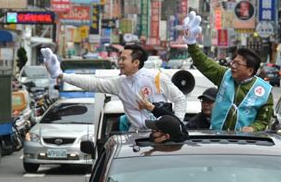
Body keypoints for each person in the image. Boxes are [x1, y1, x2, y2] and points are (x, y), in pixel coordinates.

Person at [41, 44, 187, 130]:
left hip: (163, 136)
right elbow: (93, 83)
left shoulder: (157, 78)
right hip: (135, 138)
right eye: (119, 59)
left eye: (123, 59)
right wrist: (61, 75)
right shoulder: (119, 83)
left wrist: (176, 125)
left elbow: (180, 100)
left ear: (136, 62)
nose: (119, 62)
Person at [182, 11, 274, 132]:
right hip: (217, 137)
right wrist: (192, 43)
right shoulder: (224, 75)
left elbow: (263, 121)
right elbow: (203, 63)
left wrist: (252, 128)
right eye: (233, 62)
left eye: (238, 64)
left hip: (246, 143)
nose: (232, 66)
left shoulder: (265, 91)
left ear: (250, 70)